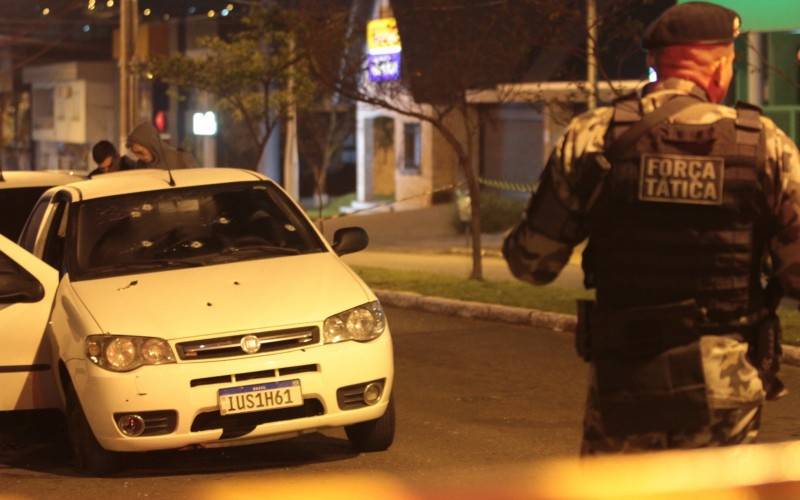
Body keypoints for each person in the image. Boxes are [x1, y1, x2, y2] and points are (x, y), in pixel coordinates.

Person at [503, 1, 800, 455]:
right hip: (724, 387)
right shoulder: (764, 144)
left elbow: (532, 263)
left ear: (656, 62)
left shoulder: (595, 135)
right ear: (720, 64)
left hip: (626, 382)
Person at [126, 122, 196, 170]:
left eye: (140, 152)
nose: (139, 157)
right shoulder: (140, 165)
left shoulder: (182, 159)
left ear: (151, 145)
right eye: (135, 154)